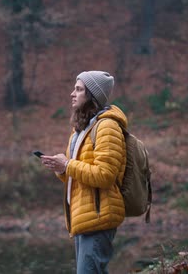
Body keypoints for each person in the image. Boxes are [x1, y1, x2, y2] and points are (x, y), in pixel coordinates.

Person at [40, 70, 128, 274]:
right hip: (83, 217)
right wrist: (61, 169)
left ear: (92, 96)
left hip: (98, 218)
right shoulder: (80, 130)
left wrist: (68, 165)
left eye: (79, 89)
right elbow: (80, 175)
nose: (72, 93)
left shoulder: (107, 127)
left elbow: (105, 175)